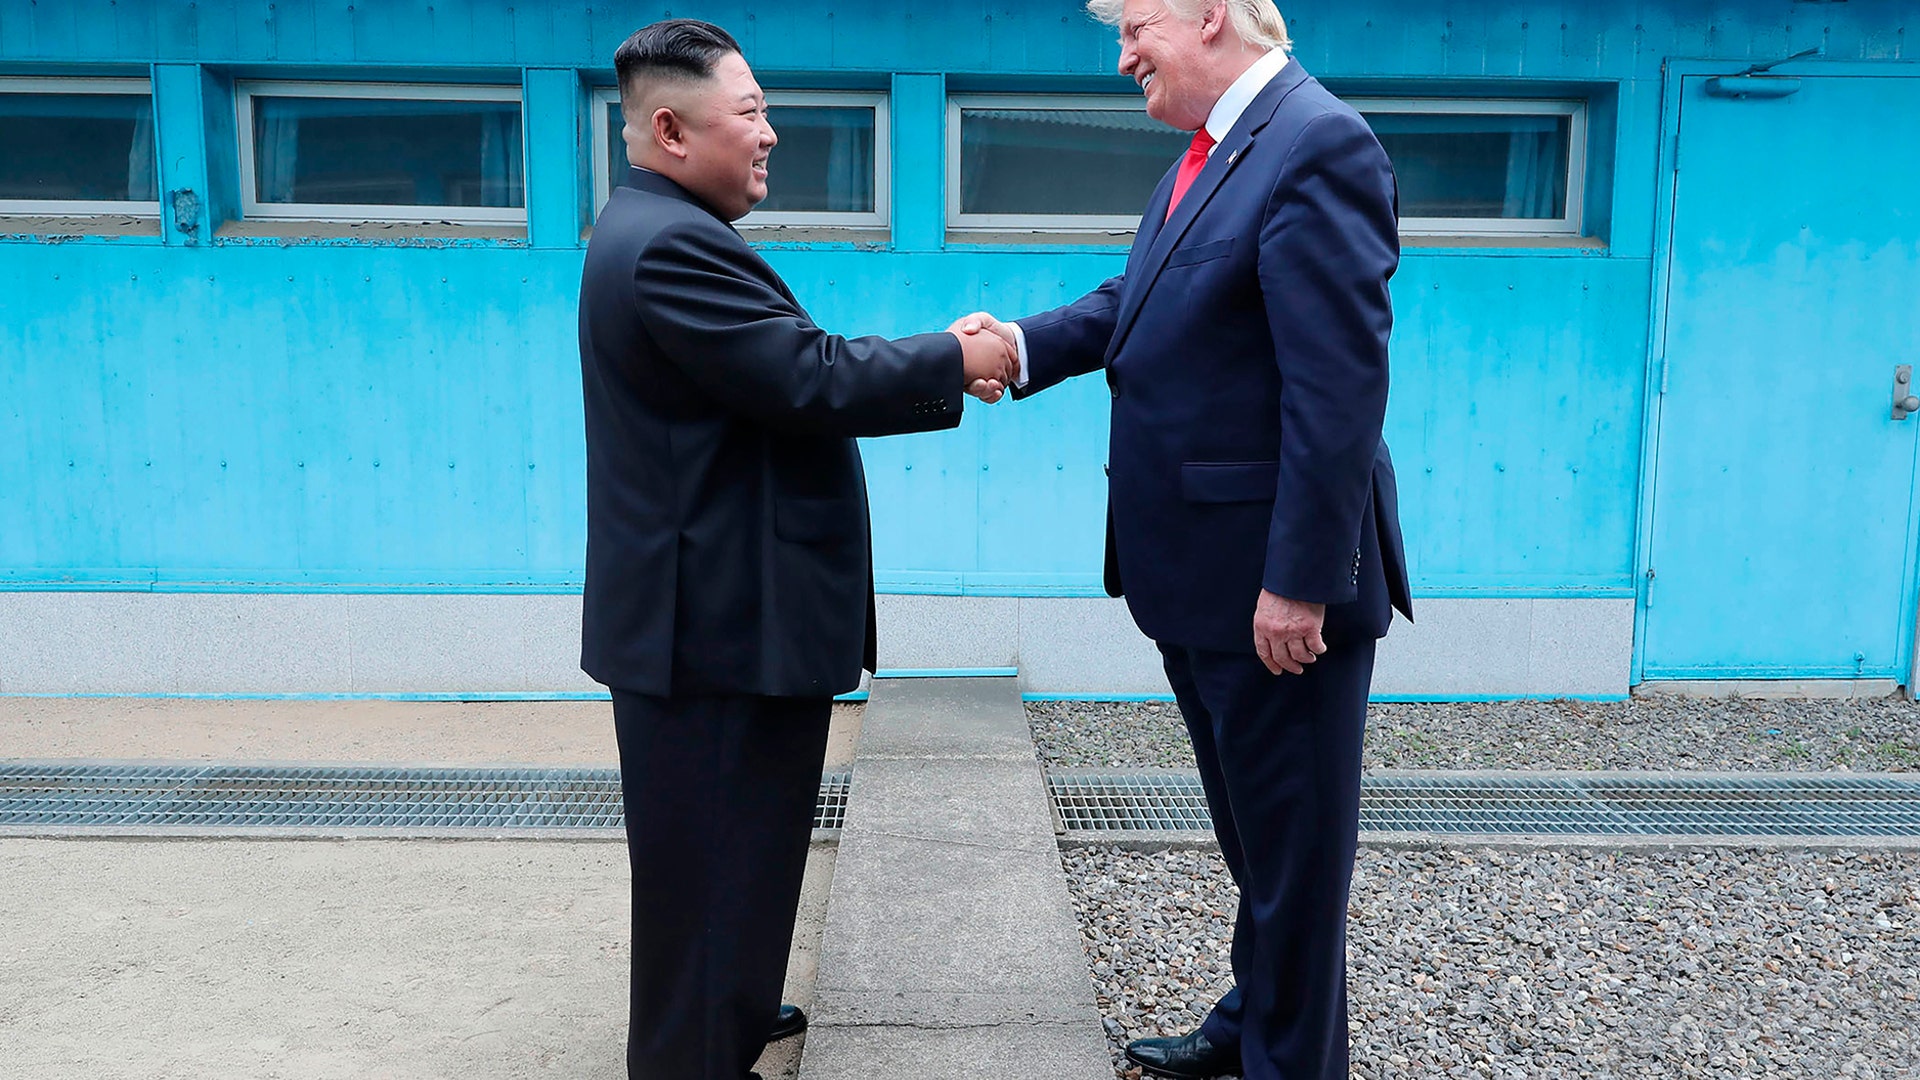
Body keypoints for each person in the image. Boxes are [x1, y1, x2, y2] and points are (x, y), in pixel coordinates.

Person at [959, 1, 1411, 1077]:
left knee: (1295, 868)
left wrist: (1300, 582)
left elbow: (1337, 391)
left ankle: (1289, 1061)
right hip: (1201, 580)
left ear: (1211, 14)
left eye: (1134, 29)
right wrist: (1020, 345)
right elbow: (1142, 299)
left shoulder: (1318, 143)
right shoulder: (1214, 153)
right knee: (1259, 846)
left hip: (1272, 592)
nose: (1122, 58)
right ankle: (1251, 1023)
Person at [578, 19, 1016, 1080]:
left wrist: (940, 361)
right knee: (711, 868)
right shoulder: (670, 244)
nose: (771, 134)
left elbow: (779, 378)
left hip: (724, 615)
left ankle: (729, 1011)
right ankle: (693, 1052)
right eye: (752, 114)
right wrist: (957, 358)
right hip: (716, 628)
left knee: (744, 854)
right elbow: (807, 374)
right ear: (672, 129)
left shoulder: (654, 227)